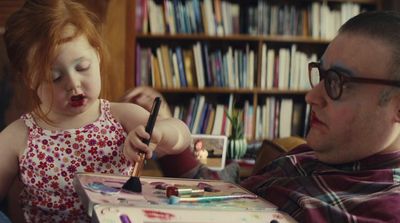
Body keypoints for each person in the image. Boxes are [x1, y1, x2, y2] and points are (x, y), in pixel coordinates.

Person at [153, 11, 400, 222]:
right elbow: (215, 195)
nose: (311, 96)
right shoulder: (304, 156)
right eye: (321, 75)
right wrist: (166, 135)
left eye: (337, 83)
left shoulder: (385, 209)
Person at [0, 1, 191, 222]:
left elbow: (183, 136)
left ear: (98, 56)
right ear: (30, 79)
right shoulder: (19, 136)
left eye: (82, 68)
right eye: (55, 77)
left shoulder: (120, 116)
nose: (73, 84)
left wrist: (159, 132)